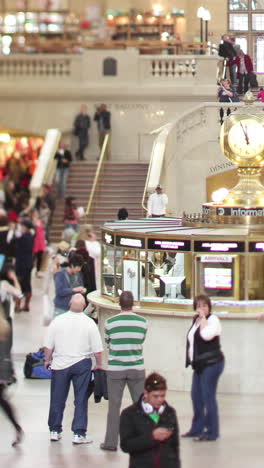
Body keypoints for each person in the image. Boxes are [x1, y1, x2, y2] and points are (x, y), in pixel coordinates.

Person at [44, 293, 103, 444]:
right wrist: (99, 364)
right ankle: (79, 433)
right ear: (84, 306)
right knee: (81, 399)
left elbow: (48, 345)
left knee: (57, 398)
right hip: (81, 364)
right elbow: (97, 349)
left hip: (60, 364)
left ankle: (54, 431)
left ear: (69, 303)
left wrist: (47, 359)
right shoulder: (90, 323)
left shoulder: (58, 321)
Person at [100, 290, 148, 452]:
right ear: (133, 303)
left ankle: (110, 443)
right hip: (136, 368)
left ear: (119, 303)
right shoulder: (143, 322)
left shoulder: (110, 323)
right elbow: (141, 340)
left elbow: (108, 343)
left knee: (114, 407)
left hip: (115, 369)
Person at [182, 294, 225, 441]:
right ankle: (197, 429)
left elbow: (206, 335)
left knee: (208, 397)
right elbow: (192, 341)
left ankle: (212, 432)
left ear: (209, 307)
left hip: (212, 364)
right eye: (199, 306)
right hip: (199, 365)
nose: (201, 309)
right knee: (196, 396)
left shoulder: (213, 320)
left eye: (204, 306)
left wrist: (204, 320)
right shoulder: (196, 320)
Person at [120, 372, 181, 468]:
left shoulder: (170, 413)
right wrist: (152, 437)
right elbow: (126, 445)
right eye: (155, 396)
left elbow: (175, 447)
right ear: (146, 393)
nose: (160, 400)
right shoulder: (129, 414)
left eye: (163, 395)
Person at [0, 308, 23, 447]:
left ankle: (17, 428)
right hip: (3, 372)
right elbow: (7, 351)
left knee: (3, 402)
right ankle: (17, 428)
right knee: (3, 402)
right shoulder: (5, 325)